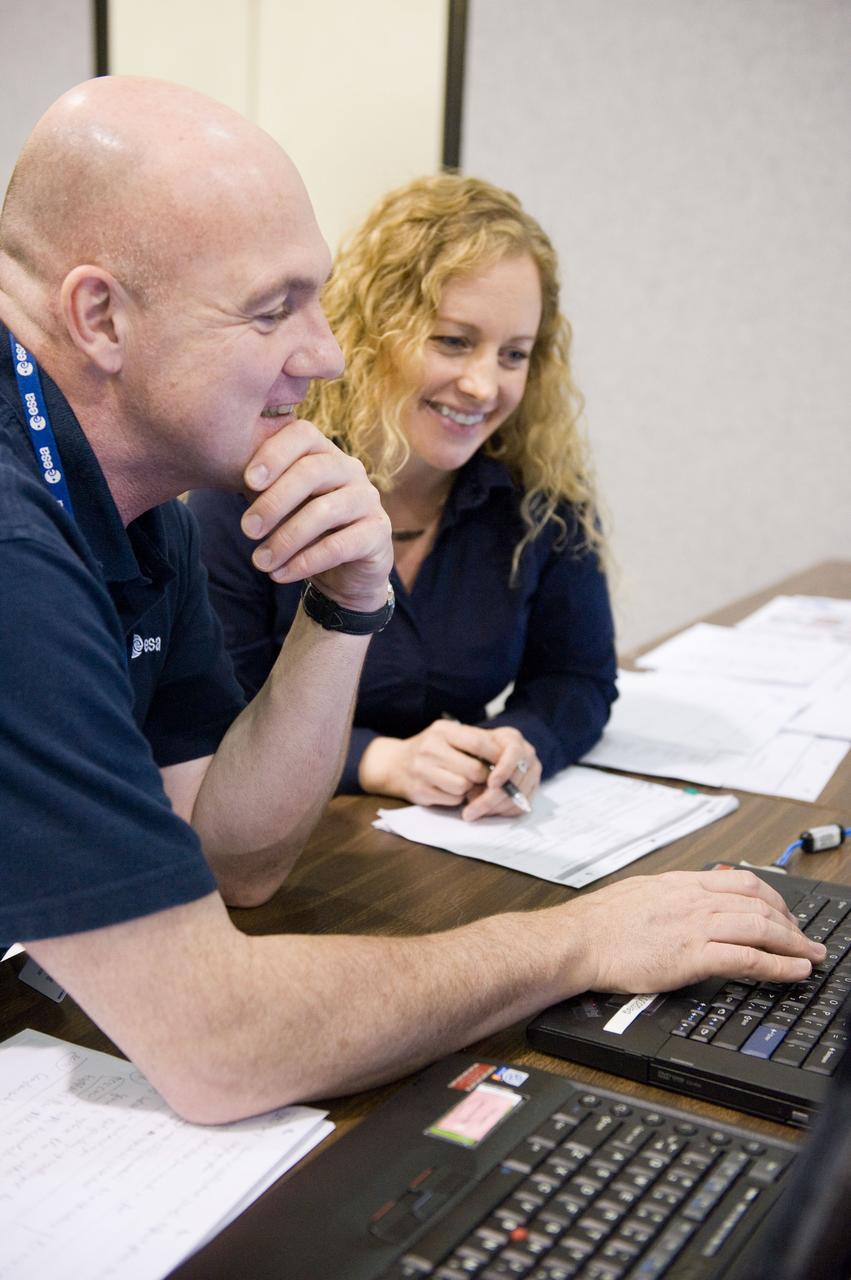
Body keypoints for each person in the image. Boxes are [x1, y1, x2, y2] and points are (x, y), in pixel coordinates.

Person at [0, 76, 824, 1126]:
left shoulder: (140, 489)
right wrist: (579, 938)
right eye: (271, 309)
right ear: (100, 316)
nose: (326, 353)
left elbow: (236, 861)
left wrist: (343, 606)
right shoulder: (18, 544)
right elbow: (218, 1042)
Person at [189, 174, 616, 820]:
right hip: (285, 846)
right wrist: (380, 760)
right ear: (370, 331)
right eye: (453, 341)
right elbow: (213, 722)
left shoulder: (541, 495)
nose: (483, 385)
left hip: (462, 843)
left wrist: (523, 743)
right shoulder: (251, 491)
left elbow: (577, 679)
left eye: (514, 354)